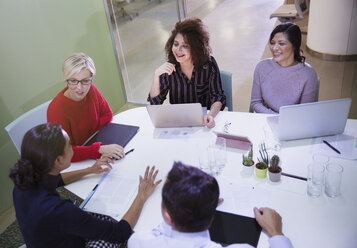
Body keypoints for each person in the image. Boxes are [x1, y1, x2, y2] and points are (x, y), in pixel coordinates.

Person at [9, 123, 162, 247]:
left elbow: (58, 180)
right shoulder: (60, 210)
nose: (73, 148)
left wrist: (90, 170)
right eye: (69, 146)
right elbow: (119, 233)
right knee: (115, 224)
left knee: (103, 210)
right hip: (72, 240)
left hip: (46, 239)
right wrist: (141, 195)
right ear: (57, 161)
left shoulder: (23, 182)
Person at [127, 161, 293, 248]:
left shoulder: (138, 241)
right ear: (211, 216)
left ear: (167, 217)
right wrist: (276, 232)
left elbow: (159, 230)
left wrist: (188, 205)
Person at [148, 18, 226, 128]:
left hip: (204, 123)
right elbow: (155, 103)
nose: (178, 50)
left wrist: (210, 115)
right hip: (178, 124)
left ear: (196, 48)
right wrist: (156, 75)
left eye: (185, 46)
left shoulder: (208, 64)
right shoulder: (170, 68)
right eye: (176, 44)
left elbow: (218, 97)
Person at [48, 53, 124, 162]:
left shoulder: (91, 89)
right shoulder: (56, 110)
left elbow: (107, 114)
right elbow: (63, 153)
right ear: (66, 79)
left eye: (85, 81)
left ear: (91, 78)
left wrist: (92, 143)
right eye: (73, 81)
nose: (79, 88)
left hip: (92, 148)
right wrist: (97, 149)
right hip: (74, 162)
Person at [250, 23, 318, 114]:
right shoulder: (261, 67)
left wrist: (283, 121)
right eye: (272, 43)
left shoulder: (308, 74)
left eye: (281, 43)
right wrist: (275, 117)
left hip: (293, 123)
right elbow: (256, 102)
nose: (274, 48)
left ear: (294, 46)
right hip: (264, 120)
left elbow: (305, 111)